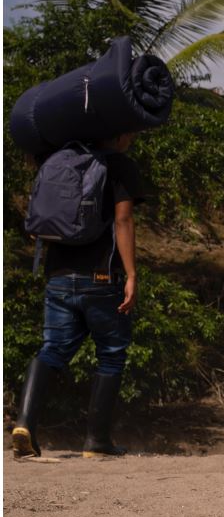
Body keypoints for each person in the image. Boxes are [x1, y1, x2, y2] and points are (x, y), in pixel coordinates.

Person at [11, 132, 144, 459]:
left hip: (57, 275)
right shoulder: (118, 165)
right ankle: (97, 441)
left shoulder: (58, 160)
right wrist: (131, 274)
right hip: (101, 277)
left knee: (52, 349)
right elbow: (123, 221)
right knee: (111, 353)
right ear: (117, 134)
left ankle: (24, 425)